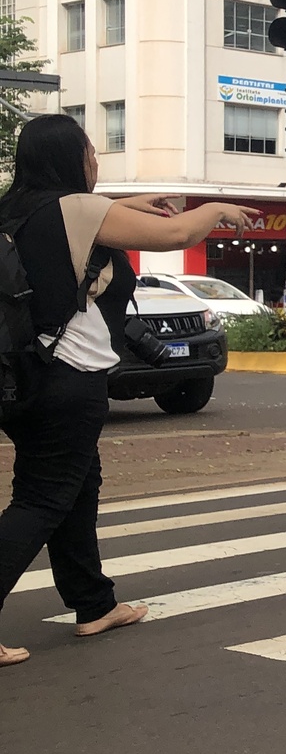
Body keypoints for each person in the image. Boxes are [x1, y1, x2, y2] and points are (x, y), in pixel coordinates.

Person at [0, 114, 258, 666]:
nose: (97, 159)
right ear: (74, 158)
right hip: (66, 377)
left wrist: (131, 201)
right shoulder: (78, 210)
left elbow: (79, 223)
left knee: (76, 487)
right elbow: (177, 235)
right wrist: (215, 209)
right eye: (91, 150)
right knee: (42, 498)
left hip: (19, 377)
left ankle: (93, 603)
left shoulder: (14, 209)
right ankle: (89, 602)